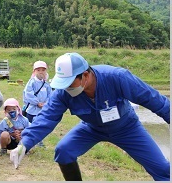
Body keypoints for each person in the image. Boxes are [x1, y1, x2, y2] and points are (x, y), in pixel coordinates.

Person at [10, 52, 170, 181]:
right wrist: (25, 143)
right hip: (91, 128)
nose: (65, 88)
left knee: (163, 170)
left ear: (85, 75)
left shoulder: (117, 78)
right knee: (63, 151)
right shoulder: (62, 93)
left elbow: (155, 100)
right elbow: (47, 118)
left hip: (126, 128)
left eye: (69, 83)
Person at [22, 61, 52, 147]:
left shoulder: (46, 84)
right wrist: (37, 102)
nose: (41, 72)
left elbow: (50, 95)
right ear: (34, 71)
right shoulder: (31, 82)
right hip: (31, 109)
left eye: (43, 70)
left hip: (42, 109)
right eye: (38, 70)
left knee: (40, 125)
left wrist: (46, 103)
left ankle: (39, 141)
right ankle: (26, 141)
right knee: (29, 125)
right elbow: (28, 94)